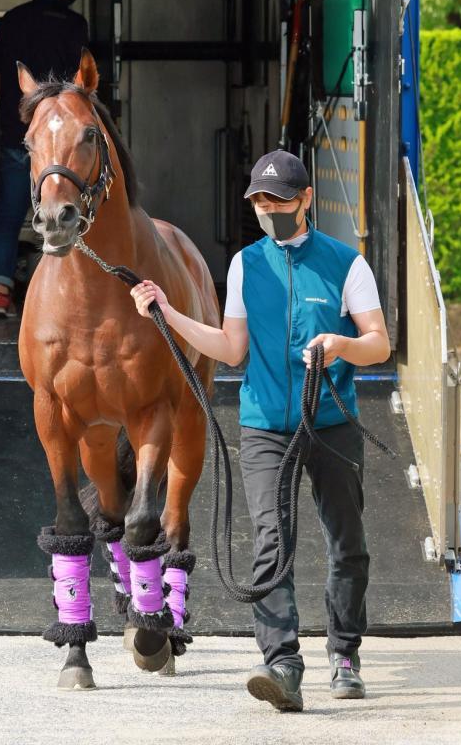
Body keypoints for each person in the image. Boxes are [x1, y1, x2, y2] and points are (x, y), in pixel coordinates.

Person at [130, 149, 391, 712]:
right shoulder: (247, 264)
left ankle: (344, 652)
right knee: (272, 542)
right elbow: (230, 347)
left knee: (348, 543)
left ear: (306, 201)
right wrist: (166, 313)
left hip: (330, 423)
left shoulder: (348, 265)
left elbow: (380, 342)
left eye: (279, 199)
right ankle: (282, 662)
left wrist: (341, 344)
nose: (269, 209)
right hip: (266, 427)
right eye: (260, 201)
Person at [0, 0, 90, 317]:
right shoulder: (76, 26)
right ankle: (61, 298)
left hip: (20, 135)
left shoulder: (13, 19)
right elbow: (82, 88)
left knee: (10, 215)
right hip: (61, 148)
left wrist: (21, 119)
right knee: (65, 214)